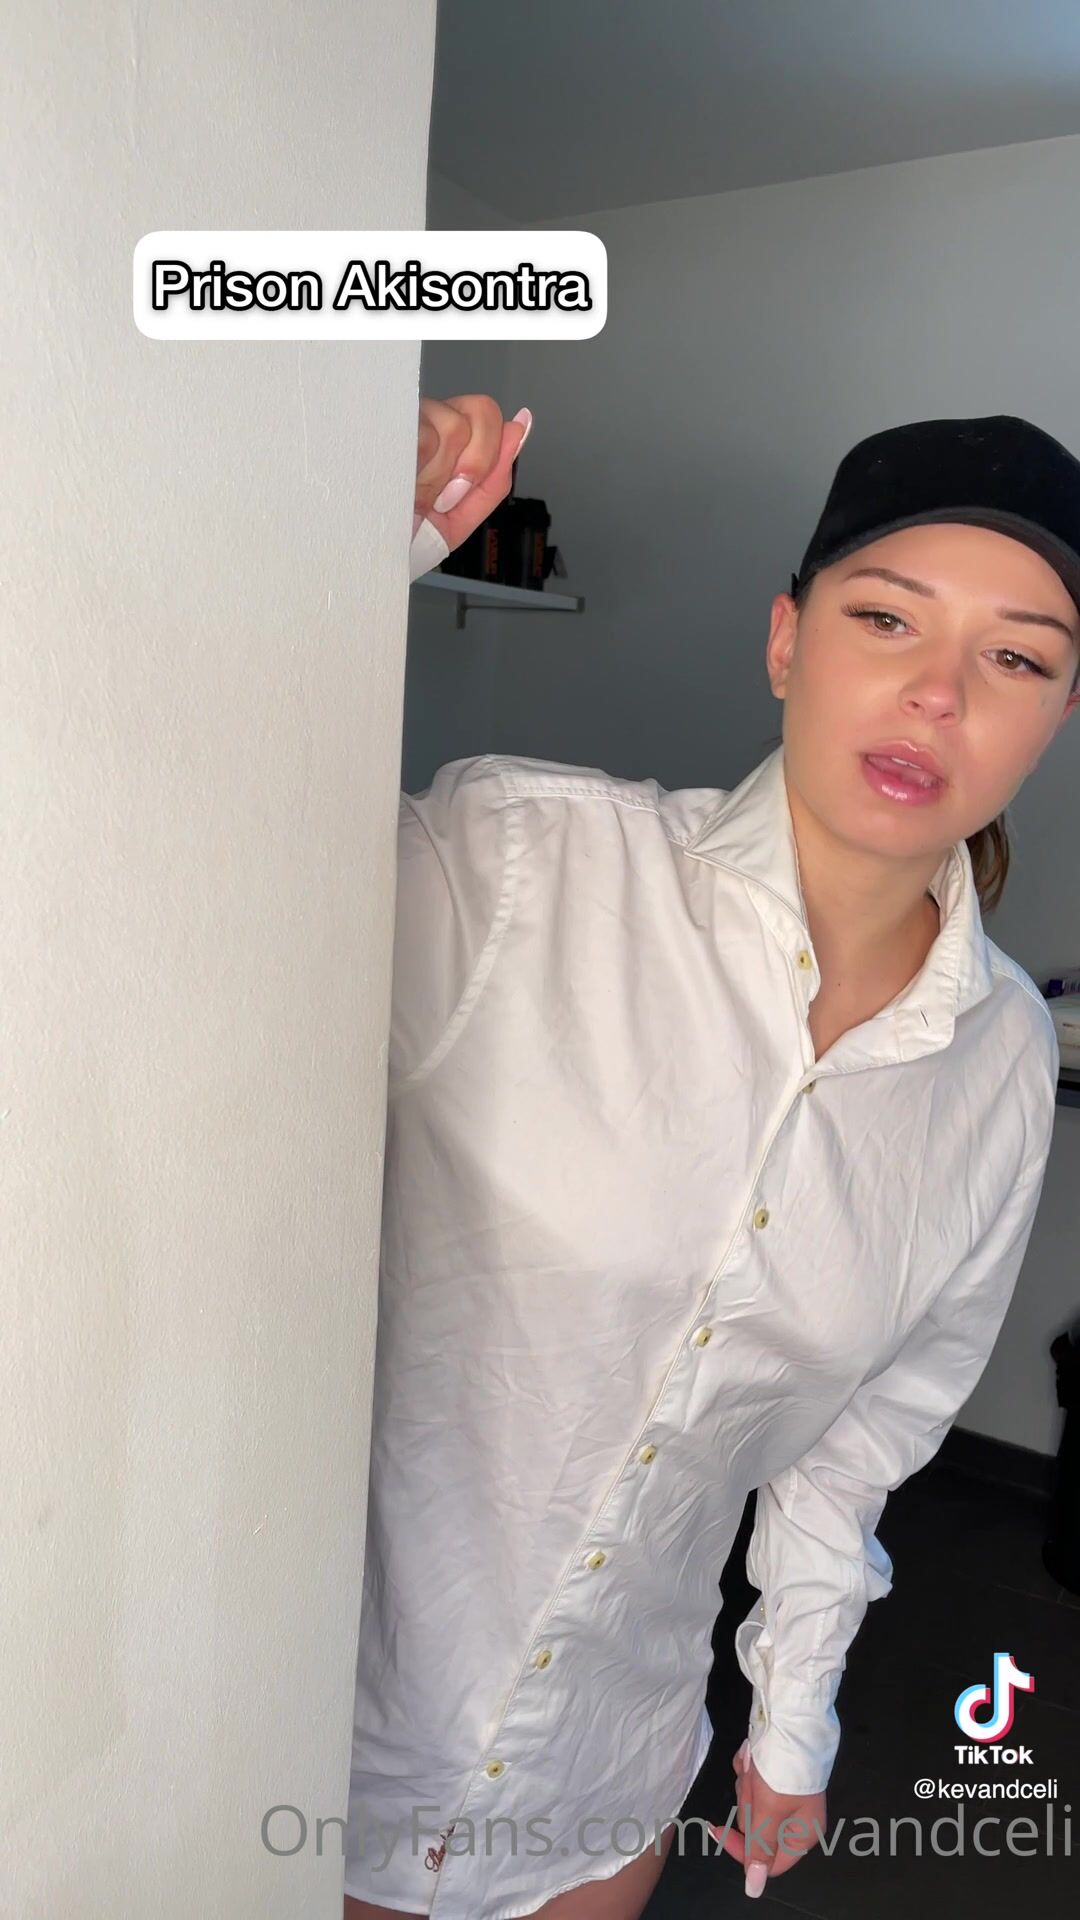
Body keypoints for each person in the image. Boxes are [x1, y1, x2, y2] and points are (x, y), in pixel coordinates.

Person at [343, 405, 1080, 1920]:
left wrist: (791, 1726)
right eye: (887, 619)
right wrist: (344, 559)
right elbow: (152, 865)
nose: (939, 694)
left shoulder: (1001, 1056)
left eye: (1016, 658)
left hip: (600, 1783)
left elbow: (857, 1441)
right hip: (313, 1731)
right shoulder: (512, 863)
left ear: (1058, 713)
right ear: (786, 640)